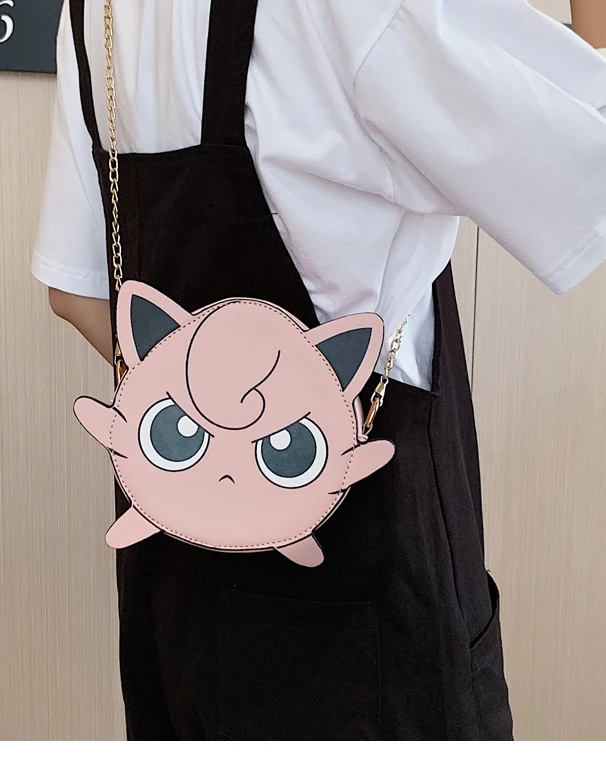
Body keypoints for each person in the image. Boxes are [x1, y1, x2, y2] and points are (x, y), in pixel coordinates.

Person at [33, 0, 606, 741]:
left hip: (178, 582)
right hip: (368, 590)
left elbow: (76, 294)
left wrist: (206, 421)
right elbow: (586, 162)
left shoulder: (94, 12)